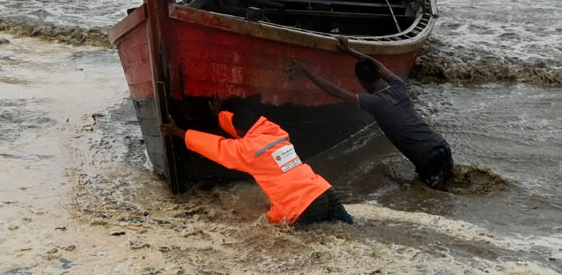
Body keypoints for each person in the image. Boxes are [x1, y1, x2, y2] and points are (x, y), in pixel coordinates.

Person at [290, 36, 454, 190]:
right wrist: (349, 50)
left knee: (442, 201)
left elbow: (335, 91)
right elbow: (379, 66)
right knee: (450, 190)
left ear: (360, 81)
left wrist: (305, 71)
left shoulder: (374, 102)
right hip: (441, 145)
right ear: (378, 74)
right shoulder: (399, 86)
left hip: (427, 157)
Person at [160, 97, 353, 226]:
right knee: (348, 232)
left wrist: (178, 132)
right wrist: (218, 115)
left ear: (242, 134)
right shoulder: (276, 131)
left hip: (301, 206)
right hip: (325, 191)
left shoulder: (248, 151)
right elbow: (244, 128)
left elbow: (216, 146)